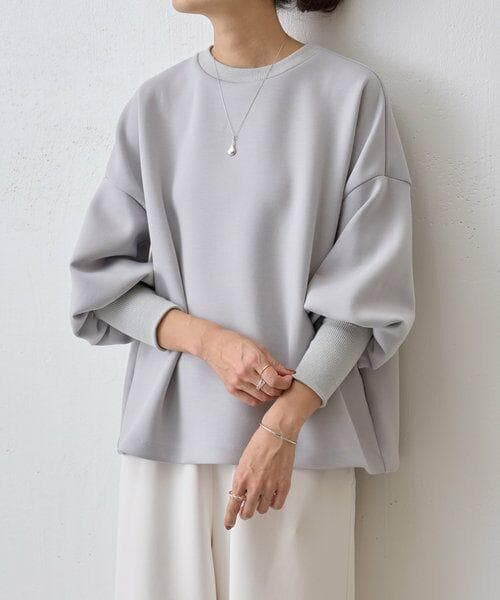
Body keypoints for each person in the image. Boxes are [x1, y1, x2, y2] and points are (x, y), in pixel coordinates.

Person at [69, 0, 415, 597]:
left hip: (300, 446)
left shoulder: (350, 95)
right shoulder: (155, 106)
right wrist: (210, 342)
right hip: (169, 446)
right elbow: (101, 286)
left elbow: (369, 294)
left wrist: (283, 425)